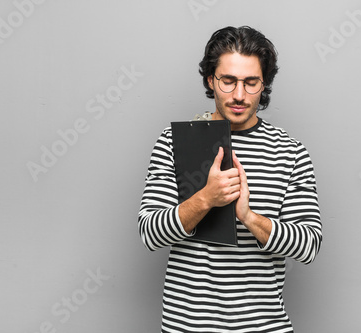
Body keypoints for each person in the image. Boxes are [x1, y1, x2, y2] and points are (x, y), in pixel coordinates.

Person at [138, 26, 322, 332]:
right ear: (211, 80)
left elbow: (308, 246)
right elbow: (150, 233)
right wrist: (206, 199)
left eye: (251, 83)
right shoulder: (174, 142)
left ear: (265, 85)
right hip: (189, 326)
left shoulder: (291, 152)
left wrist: (249, 217)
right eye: (228, 81)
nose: (239, 95)